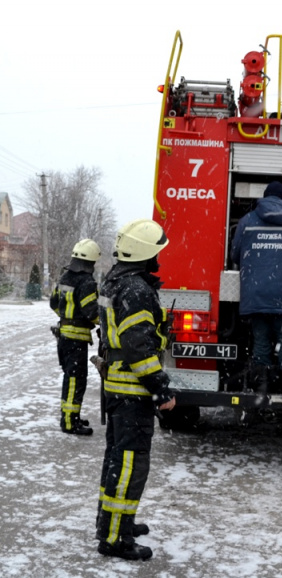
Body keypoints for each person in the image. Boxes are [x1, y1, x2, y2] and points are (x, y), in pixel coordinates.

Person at [95, 219, 176, 561]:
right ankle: (116, 538)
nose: (159, 257)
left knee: (117, 459)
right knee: (130, 464)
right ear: (145, 254)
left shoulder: (114, 280)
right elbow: (138, 348)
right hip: (132, 391)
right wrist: (161, 389)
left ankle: (113, 524)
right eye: (156, 252)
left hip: (117, 386)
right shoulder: (136, 290)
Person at [231, 181, 282, 400]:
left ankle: (261, 388)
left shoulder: (247, 220)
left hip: (256, 292)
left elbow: (235, 254)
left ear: (265, 196)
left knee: (260, 340)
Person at [50, 238, 101, 435]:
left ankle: (70, 416)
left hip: (63, 337)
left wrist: (66, 317)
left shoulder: (65, 278)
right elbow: (91, 312)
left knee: (70, 378)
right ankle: (70, 422)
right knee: (75, 380)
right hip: (76, 339)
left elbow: (54, 303)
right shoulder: (87, 282)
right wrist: (105, 322)